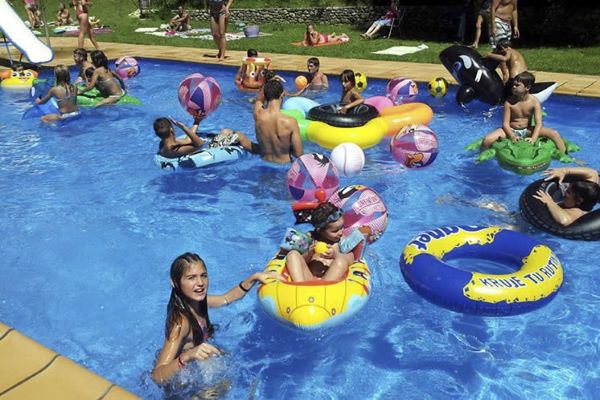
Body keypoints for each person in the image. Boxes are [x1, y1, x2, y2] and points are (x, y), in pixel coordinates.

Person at [151, 252, 278, 385]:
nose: (200, 283)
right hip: (180, 387)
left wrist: (254, 277)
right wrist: (187, 356)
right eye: (191, 278)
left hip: (195, 369)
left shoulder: (199, 302)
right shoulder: (180, 323)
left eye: (203, 276)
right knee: (224, 383)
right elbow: (156, 376)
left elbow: (226, 298)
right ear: (175, 283)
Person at [481, 71, 566, 154]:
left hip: (528, 130)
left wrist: (533, 138)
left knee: (554, 133)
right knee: (487, 140)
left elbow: (539, 123)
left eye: (517, 85)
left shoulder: (534, 102)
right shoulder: (509, 102)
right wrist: (512, 136)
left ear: (527, 87)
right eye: (513, 85)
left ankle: (565, 154)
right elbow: (505, 124)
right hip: (511, 129)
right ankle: (480, 157)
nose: (513, 87)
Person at [285, 202, 365, 282]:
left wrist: (335, 255)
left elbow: (352, 259)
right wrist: (309, 254)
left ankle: (323, 288)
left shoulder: (342, 241)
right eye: (335, 231)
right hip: (308, 279)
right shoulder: (310, 238)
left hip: (329, 283)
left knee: (341, 261)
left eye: (342, 227)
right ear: (319, 230)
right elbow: (300, 261)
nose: (341, 232)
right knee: (292, 254)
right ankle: (299, 286)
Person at [250, 79, 304, 164]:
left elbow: (259, 100)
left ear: (265, 95)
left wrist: (267, 86)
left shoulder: (258, 115)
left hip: (263, 163)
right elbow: (298, 154)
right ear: (282, 94)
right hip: (283, 166)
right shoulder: (290, 122)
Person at [154, 115, 251, 159]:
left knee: (224, 131)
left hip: (202, 147)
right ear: (171, 129)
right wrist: (183, 127)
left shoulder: (164, 145)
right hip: (210, 149)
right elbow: (200, 144)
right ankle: (258, 150)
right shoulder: (176, 149)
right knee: (233, 134)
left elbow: (187, 140)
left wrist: (196, 122)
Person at [533, 167, 600, 226]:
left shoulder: (577, 212)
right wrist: (564, 171)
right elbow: (593, 173)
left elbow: (564, 221)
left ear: (579, 200)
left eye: (568, 192)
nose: (564, 192)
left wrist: (549, 202)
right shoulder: (587, 195)